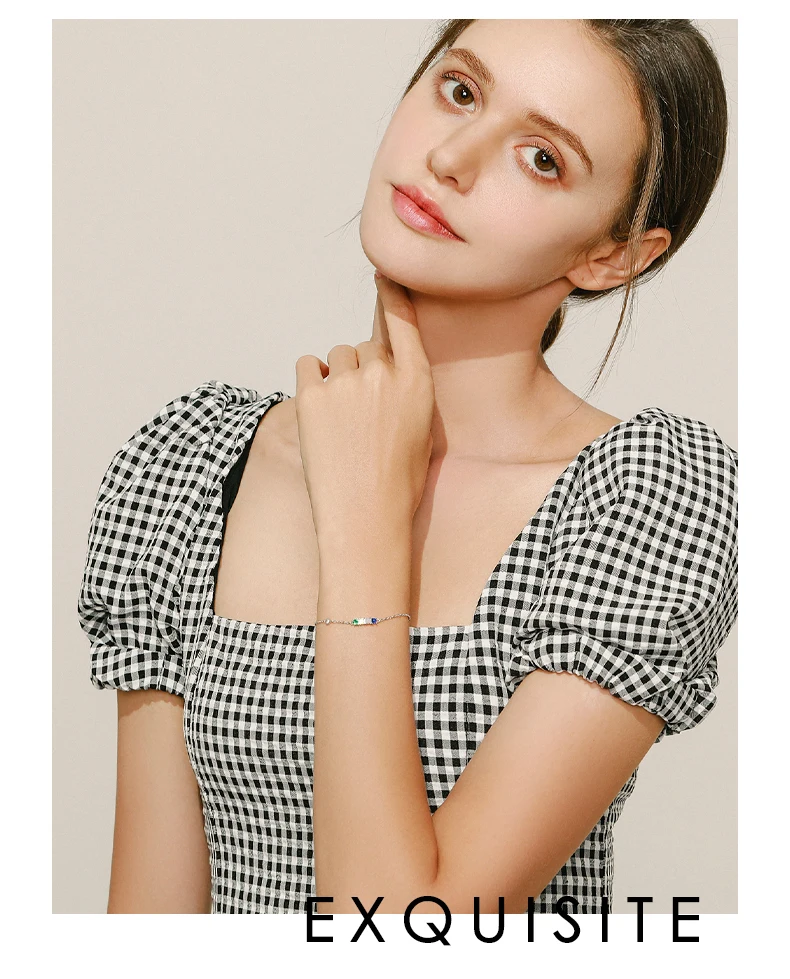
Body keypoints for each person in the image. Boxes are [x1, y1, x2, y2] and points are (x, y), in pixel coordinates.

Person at [77, 18, 737, 915]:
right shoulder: (190, 469)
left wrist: (363, 522)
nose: (451, 158)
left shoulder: (646, 496)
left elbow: (407, 931)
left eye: (541, 159)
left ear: (612, 255)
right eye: (459, 91)